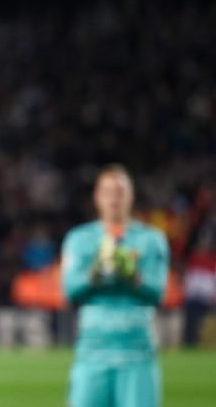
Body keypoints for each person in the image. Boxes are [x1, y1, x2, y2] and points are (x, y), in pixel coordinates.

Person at [61, 165, 169, 407]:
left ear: (131, 196)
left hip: (138, 354)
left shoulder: (151, 240)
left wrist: (132, 276)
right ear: (97, 197)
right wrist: (94, 273)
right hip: (92, 353)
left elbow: (158, 292)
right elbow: (69, 289)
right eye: (108, 192)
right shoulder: (79, 239)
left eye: (120, 192)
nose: (114, 198)